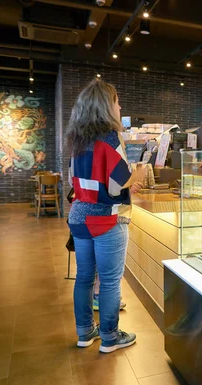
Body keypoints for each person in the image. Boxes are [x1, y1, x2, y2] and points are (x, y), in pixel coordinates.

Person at [66, 78, 144, 353]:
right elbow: (116, 183)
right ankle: (110, 337)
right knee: (110, 281)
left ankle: (85, 332)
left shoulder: (76, 139)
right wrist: (140, 172)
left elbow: (73, 180)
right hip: (107, 218)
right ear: (105, 107)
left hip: (79, 216)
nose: (120, 106)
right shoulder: (111, 137)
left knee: (84, 277)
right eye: (117, 101)